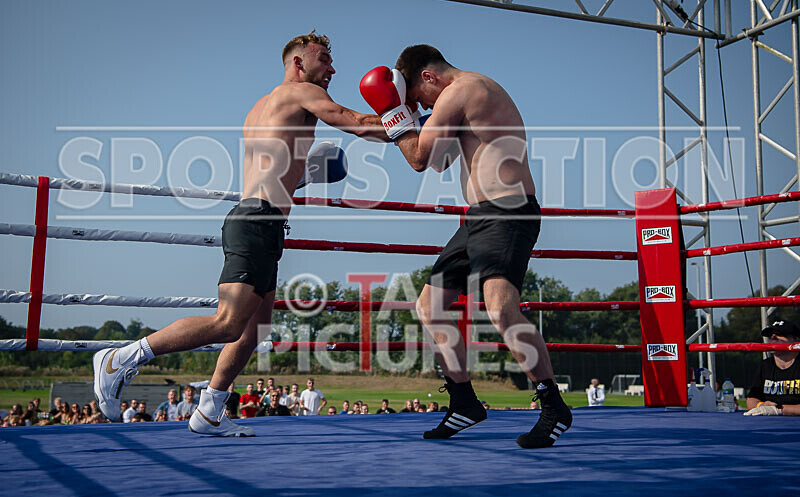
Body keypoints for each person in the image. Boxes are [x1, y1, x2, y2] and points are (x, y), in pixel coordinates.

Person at [91, 30, 387, 437]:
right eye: (324, 59)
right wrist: (405, 120)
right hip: (256, 221)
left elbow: (276, 166)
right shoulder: (301, 93)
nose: (332, 68)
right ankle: (122, 357)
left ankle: (210, 410)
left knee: (255, 329)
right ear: (298, 63)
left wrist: (306, 173)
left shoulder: (261, 107)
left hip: (262, 220)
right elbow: (353, 122)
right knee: (229, 323)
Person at [360, 45, 571, 448]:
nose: (424, 105)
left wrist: (393, 114)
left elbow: (418, 159)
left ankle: (552, 402)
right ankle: (464, 402)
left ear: (428, 77)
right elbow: (437, 160)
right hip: (478, 217)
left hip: (508, 211)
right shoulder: (460, 98)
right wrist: (400, 120)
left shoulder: (464, 89)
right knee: (429, 305)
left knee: (499, 307)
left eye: (420, 99)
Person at [744, 320, 800, 416]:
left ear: (795, 340)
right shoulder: (765, 365)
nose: (773, 337)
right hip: (770, 423)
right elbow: (751, 399)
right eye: (770, 335)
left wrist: (778, 410)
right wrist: (761, 405)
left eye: (780, 334)